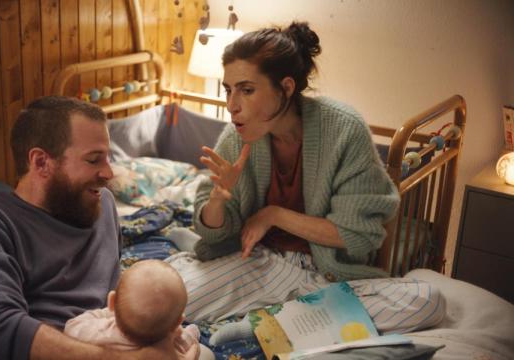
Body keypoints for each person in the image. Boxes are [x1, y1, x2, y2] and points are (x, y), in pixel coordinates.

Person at [165, 21, 445, 344]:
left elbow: (356, 233)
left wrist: (272, 214)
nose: (231, 105)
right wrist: (217, 198)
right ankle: (289, 319)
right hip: (259, 264)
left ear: (285, 87)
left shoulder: (343, 129)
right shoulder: (238, 134)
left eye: (247, 90)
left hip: (326, 279)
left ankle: (265, 325)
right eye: (228, 90)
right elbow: (216, 229)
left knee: (428, 300)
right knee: (157, 297)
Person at [0, 96, 198, 360]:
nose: (109, 173)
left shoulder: (102, 206)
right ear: (41, 162)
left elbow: (112, 309)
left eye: (108, 158)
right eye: (93, 160)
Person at [64, 260, 210, 359]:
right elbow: (191, 344)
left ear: (111, 301)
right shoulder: (176, 343)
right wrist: (192, 335)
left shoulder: (95, 332)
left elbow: (70, 327)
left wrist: (110, 311)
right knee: (207, 354)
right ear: (178, 322)